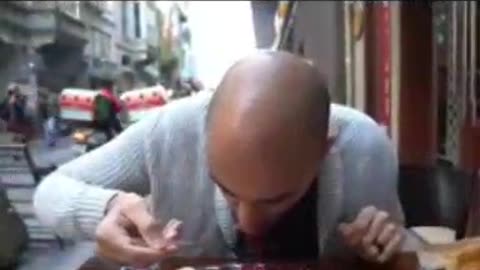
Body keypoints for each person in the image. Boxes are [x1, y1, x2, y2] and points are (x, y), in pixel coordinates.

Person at [34, 51, 417, 268]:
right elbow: (50, 191)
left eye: (276, 199)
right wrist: (109, 207)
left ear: (325, 148)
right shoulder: (170, 131)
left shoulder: (365, 148)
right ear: (205, 132)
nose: (249, 224)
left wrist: (378, 248)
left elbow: (396, 249)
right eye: (227, 191)